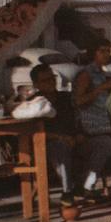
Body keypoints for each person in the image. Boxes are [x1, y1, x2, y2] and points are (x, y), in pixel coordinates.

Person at [72, 38, 111, 201]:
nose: (106, 54)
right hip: (87, 128)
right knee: (108, 143)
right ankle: (85, 186)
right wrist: (102, 89)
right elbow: (78, 101)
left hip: (102, 124)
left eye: (108, 51)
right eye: (102, 51)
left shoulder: (103, 73)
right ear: (93, 53)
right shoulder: (86, 74)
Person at [30, 64, 79, 207]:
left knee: (103, 142)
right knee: (59, 147)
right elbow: (33, 132)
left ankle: (85, 187)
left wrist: (78, 135)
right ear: (36, 84)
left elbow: (77, 119)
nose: (51, 82)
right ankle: (67, 191)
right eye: (45, 80)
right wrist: (60, 137)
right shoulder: (34, 103)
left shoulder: (66, 98)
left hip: (73, 139)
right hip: (48, 142)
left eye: (52, 78)